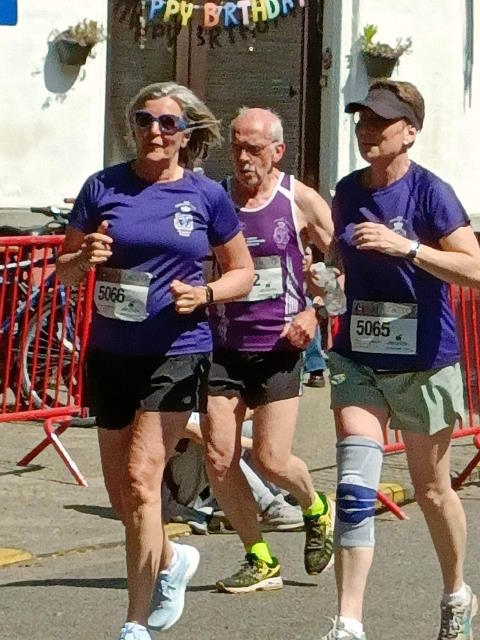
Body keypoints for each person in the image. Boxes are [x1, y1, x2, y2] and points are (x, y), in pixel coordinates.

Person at [56, 82, 254, 640]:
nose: (155, 132)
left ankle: (134, 622)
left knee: (143, 482)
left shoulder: (206, 195)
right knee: (123, 497)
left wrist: (206, 294)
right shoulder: (102, 187)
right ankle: (172, 559)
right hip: (112, 353)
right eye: (144, 120)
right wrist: (83, 257)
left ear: (186, 134)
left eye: (168, 123)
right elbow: (65, 271)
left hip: (177, 351)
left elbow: (241, 271)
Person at [322, 80, 480, 640]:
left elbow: (474, 269)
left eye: (380, 122)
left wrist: (408, 248)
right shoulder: (348, 190)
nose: (366, 131)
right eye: (361, 120)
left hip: (424, 361)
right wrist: (328, 280)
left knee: (432, 489)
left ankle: (457, 592)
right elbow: (339, 258)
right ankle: (349, 622)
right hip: (358, 358)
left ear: (409, 132)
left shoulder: (431, 193)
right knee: (354, 485)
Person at [203, 107, 335, 593]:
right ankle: (259, 557)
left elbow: (345, 268)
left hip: (279, 346)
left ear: (277, 151)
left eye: (254, 149)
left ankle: (316, 508)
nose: (243, 158)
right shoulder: (215, 199)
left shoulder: (298, 199)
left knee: (271, 460)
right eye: (237, 147)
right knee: (219, 457)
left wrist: (315, 313)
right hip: (223, 347)